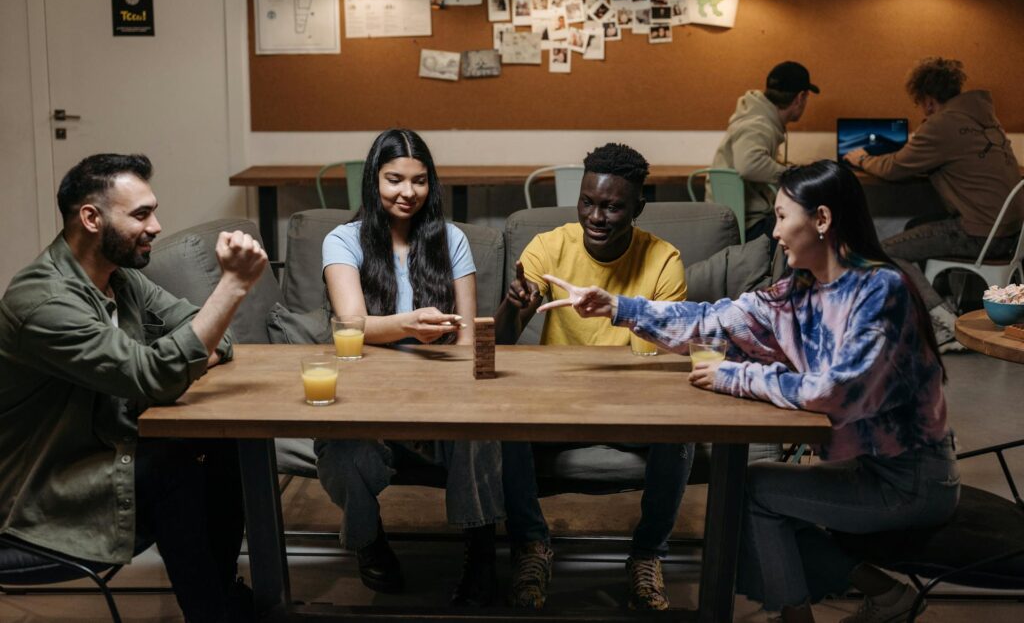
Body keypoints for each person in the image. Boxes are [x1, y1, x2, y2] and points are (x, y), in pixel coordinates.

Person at [541, 160, 959, 623]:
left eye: (782, 217)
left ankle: (809, 613)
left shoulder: (882, 291)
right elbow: (711, 319)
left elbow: (833, 390)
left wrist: (734, 376)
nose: (775, 232)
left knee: (751, 494)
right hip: (865, 468)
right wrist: (616, 306)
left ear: (821, 220)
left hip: (911, 480)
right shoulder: (801, 290)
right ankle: (867, 598)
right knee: (745, 493)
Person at [0, 154, 268, 622]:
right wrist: (231, 287)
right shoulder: (41, 301)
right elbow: (155, 376)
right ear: (91, 218)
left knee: (225, 443)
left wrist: (181, 355)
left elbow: (213, 335)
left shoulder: (121, 281)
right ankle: (213, 613)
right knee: (171, 464)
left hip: (105, 449)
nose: (157, 226)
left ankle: (218, 598)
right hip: (44, 487)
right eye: (140, 214)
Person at [494, 143, 694, 611]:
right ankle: (532, 546)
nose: (596, 217)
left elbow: (664, 355)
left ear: (638, 207)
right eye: (588, 202)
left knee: (683, 433)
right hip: (557, 401)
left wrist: (617, 310)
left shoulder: (664, 262)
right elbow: (501, 342)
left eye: (612, 206)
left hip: (633, 404)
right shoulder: (548, 246)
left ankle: (647, 555)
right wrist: (514, 305)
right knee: (500, 422)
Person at [315, 129, 504, 605]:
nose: (407, 193)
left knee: (482, 429)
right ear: (373, 180)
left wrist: (441, 406)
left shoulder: (451, 239)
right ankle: (369, 539)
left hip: (442, 397)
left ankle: (480, 551)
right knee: (340, 450)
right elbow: (350, 324)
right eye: (394, 179)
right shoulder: (344, 240)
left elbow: (463, 337)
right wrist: (408, 325)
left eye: (419, 181)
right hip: (367, 401)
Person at [843, 57, 1024, 350]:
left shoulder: (943, 123)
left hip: (981, 236)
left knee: (883, 251)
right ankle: (946, 303)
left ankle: (942, 322)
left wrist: (860, 158)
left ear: (927, 101)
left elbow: (893, 168)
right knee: (917, 225)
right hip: (1011, 235)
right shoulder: (985, 119)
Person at [712, 61, 820, 243]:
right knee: (815, 232)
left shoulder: (756, 118)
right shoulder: (758, 124)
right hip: (748, 225)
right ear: (800, 97)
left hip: (733, 218)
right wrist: (791, 175)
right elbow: (749, 165)